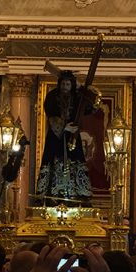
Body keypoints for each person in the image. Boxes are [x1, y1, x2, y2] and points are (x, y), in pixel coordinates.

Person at [35, 71, 93, 204]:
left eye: (68, 84)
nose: (65, 86)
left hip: (73, 135)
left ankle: (76, 195)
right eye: (63, 84)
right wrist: (63, 127)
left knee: (75, 160)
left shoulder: (77, 97)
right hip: (56, 136)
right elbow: (50, 114)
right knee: (54, 160)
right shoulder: (52, 96)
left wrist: (82, 88)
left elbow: (91, 106)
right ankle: (53, 195)